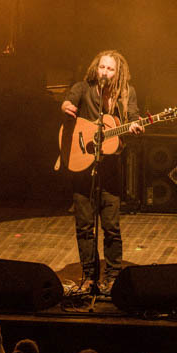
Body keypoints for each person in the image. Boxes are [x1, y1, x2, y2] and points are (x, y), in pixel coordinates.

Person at [60, 50, 143, 293]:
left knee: (111, 226)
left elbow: (135, 117)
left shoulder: (127, 94)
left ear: (119, 73)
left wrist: (136, 126)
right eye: (102, 68)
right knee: (85, 225)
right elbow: (67, 101)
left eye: (110, 69)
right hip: (82, 167)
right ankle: (89, 276)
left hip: (110, 168)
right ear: (96, 68)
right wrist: (67, 107)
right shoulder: (83, 88)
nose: (105, 73)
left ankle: (114, 275)